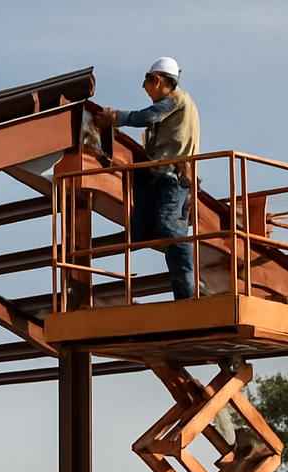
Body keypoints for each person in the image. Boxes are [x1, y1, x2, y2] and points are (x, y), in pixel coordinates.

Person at [100, 57, 202, 301]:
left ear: (156, 80)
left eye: (147, 84)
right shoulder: (172, 106)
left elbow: (148, 117)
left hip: (174, 177)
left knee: (170, 227)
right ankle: (182, 291)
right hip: (158, 175)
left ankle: (187, 296)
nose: (146, 91)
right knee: (141, 231)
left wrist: (116, 118)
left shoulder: (176, 101)